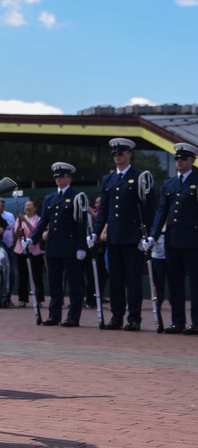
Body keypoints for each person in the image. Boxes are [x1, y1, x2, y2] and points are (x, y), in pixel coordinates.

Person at [90, 138, 154, 331]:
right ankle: (117, 316)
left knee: (133, 280)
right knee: (116, 279)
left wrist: (146, 235)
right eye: (114, 154)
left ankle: (134, 318)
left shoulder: (140, 177)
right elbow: (103, 211)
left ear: (129, 154)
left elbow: (148, 209)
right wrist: (96, 232)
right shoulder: (109, 179)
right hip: (114, 237)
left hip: (132, 236)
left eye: (120, 153)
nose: (117, 157)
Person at [27, 162, 88, 327]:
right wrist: (32, 238)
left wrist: (82, 246)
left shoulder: (78, 196)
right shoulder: (50, 198)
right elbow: (43, 221)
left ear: (69, 177)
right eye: (56, 177)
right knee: (54, 283)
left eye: (62, 177)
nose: (58, 180)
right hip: (53, 245)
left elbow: (81, 224)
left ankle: (73, 316)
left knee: (74, 284)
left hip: (70, 246)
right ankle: (54, 315)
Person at [146, 142, 198, 334]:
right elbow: (162, 212)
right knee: (174, 283)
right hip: (173, 239)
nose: (179, 161)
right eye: (177, 158)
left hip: (193, 240)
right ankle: (178, 321)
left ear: (192, 160)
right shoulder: (169, 184)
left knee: (195, 284)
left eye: (184, 158)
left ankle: (196, 322)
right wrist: (153, 235)